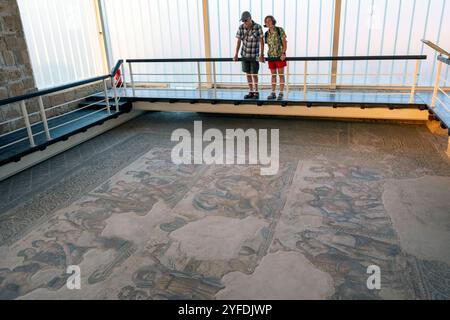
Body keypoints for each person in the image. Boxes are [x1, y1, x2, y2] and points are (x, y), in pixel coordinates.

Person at [233, 11, 265, 99]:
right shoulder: (241, 27)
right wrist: (236, 53)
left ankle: (256, 92)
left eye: (246, 20)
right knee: (248, 74)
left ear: (250, 18)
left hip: (255, 55)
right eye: (243, 21)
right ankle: (251, 91)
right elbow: (238, 41)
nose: (244, 22)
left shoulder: (258, 27)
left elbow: (262, 42)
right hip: (244, 55)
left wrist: (262, 54)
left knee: (254, 74)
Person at [263, 15, 287, 100]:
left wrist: (283, 53)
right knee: (273, 75)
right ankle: (273, 93)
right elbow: (268, 45)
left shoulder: (279, 30)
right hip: (271, 57)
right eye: (266, 21)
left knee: (281, 75)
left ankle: (281, 93)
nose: (268, 22)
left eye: (269, 20)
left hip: (279, 56)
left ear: (273, 21)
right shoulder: (266, 34)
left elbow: (284, 43)